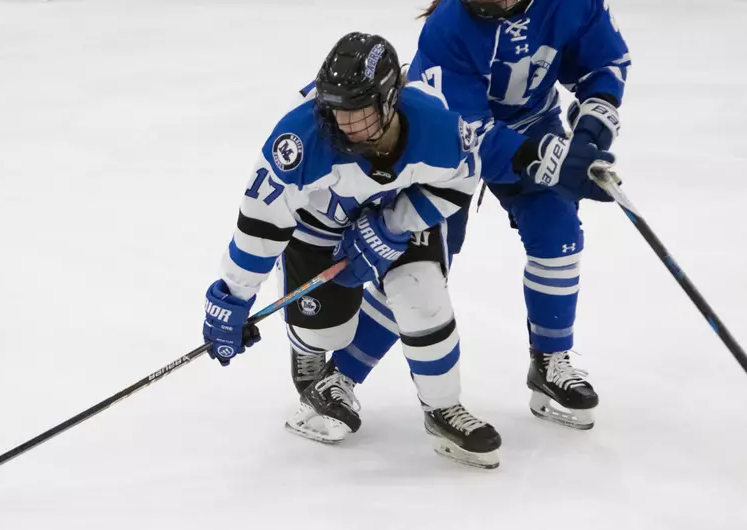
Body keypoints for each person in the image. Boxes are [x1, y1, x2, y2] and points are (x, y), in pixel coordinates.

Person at [202, 31, 615, 468]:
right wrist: (233, 298)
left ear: (388, 101)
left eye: (357, 110)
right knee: (326, 333)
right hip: (319, 225)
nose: (342, 123)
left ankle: (443, 409)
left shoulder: (435, 126)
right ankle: (308, 349)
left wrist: (392, 225)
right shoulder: (298, 141)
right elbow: (261, 224)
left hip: (394, 212)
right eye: (335, 109)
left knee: (422, 291)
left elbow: (458, 183)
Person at [291, 0, 630, 435]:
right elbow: (469, 138)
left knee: (559, 234)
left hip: (534, 126)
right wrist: (549, 160)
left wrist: (588, 136)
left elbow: (604, 62)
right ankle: (339, 376)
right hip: (443, 153)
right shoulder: (448, 28)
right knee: (420, 269)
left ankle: (550, 361)